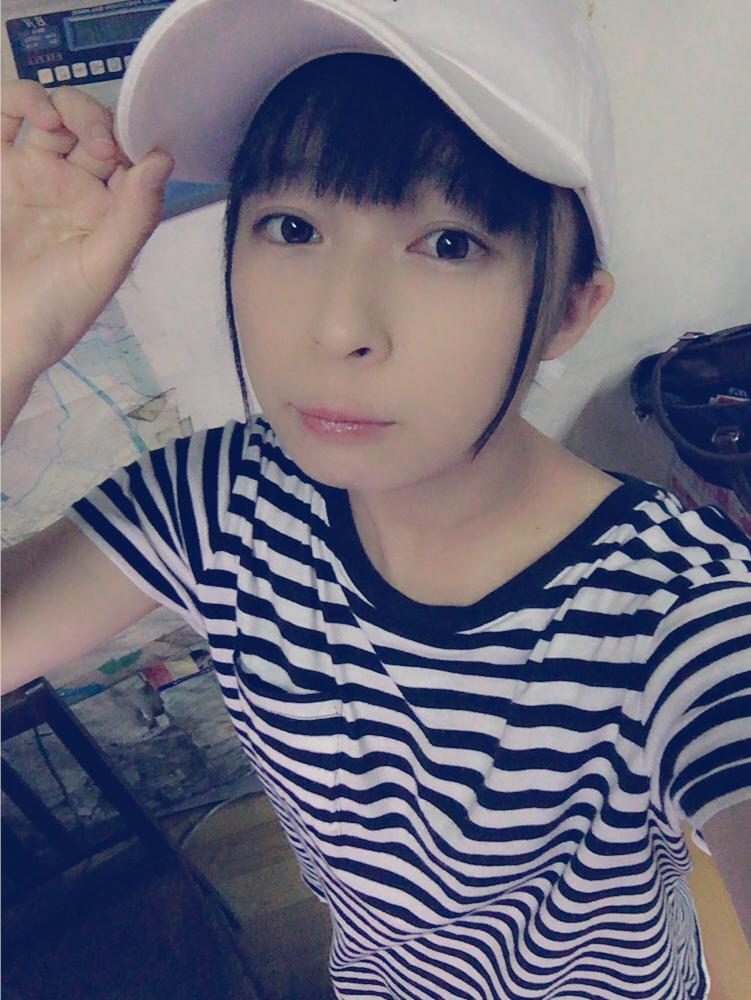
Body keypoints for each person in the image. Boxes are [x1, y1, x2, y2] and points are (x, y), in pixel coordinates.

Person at [2, 1, 750, 997]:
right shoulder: (223, 505)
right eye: (292, 226)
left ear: (570, 307)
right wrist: (12, 337)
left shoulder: (677, 613)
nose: (338, 326)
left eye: (447, 244)